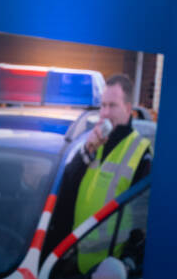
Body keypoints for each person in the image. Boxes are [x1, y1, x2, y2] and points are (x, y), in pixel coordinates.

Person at [43, 74, 151, 276]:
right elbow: (66, 189)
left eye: (113, 106)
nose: (105, 113)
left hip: (108, 269)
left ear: (128, 109)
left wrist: (125, 264)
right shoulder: (94, 142)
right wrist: (87, 150)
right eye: (103, 105)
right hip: (73, 262)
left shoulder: (140, 154)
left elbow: (142, 222)